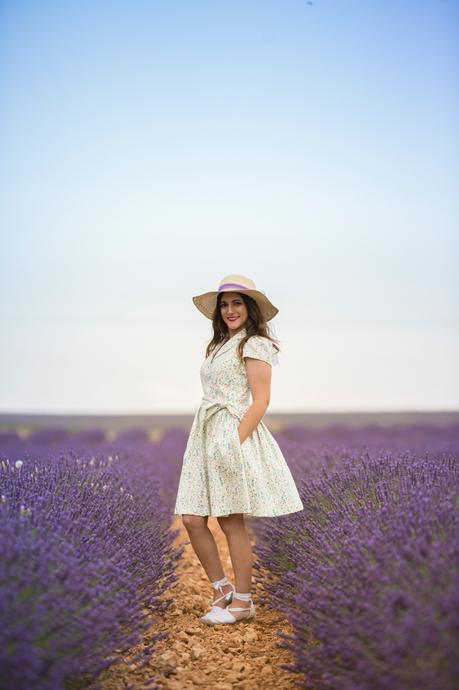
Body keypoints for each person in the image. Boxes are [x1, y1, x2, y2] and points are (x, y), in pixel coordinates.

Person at [173, 274, 304, 625]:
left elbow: (261, 402)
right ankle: (222, 590)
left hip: (233, 433)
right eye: (225, 304)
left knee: (231, 520)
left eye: (237, 303)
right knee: (191, 518)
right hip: (204, 433)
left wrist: (234, 441)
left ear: (250, 308)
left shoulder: (255, 344)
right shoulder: (217, 345)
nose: (230, 310)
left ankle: (244, 602)